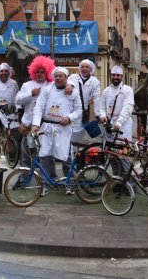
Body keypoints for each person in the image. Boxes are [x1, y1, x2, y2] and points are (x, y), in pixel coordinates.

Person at [31, 67, 81, 195]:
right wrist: (36, 124)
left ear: (66, 78)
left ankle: (70, 185)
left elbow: (79, 110)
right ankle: (44, 185)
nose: (58, 78)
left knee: (66, 157)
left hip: (63, 128)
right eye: (56, 76)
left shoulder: (73, 92)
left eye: (61, 76)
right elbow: (39, 107)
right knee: (44, 156)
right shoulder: (47, 90)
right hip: (47, 127)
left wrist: (70, 118)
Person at [14, 55, 55, 174]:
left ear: (47, 72)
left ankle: (49, 177)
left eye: (42, 72)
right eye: (37, 72)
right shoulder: (27, 85)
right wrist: (30, 94)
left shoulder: (51, 85)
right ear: (33, 72)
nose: (39, 74)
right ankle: (24, 177)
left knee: (46, 154)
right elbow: (17, 100)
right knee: (26, 153)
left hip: (45, 125)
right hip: (27, 124)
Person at [66, 59, 102, 141]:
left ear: (91, 69)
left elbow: (96, 98)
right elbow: (68, 83)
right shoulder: (73, 77)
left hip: (83, 112)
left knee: (78, 135)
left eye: (87, 67)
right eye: (82, 67)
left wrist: (98, 114)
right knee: (67, 133)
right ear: (80, 68)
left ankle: (75, 152)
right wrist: (69, 85)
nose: (84, 69)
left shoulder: (95, 81)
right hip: (69, 110)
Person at [99, 66, 135, 141]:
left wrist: (119, 123)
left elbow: (127, 108)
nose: (115, 77)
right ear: (110, 76)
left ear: (122, 77)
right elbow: (101, 107)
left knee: (122, 150)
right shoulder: (106, 91)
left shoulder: (127, 90)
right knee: (107, 150)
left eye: (118, 75)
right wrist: (102, 116)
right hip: (109, 126)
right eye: (113, 75)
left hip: (123, 126)